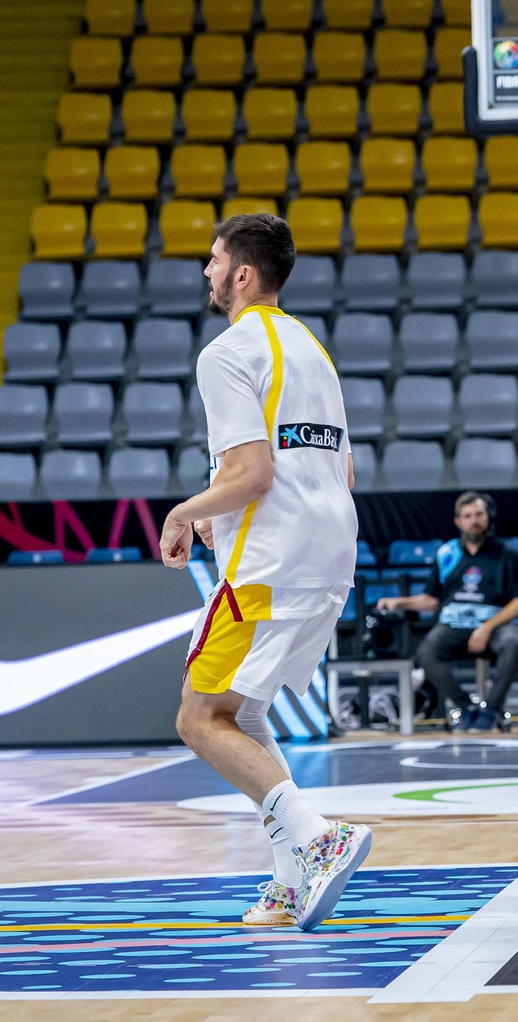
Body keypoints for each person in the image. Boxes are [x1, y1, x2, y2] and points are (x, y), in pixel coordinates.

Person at [158, 213, 370, 933]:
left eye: (214, 261)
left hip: (271, 563)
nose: (207, 272)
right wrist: (227, 503)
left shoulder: (225, 353)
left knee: (198, 716)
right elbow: (340, 463)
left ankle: (319, 837)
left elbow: (251, 473)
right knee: (244, 714)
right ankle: (287, 883)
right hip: (331, 552)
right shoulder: (312, 348)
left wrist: (186, 511)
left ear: (243, 274)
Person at [375, 491, 518, 732]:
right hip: (454, 625)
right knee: (426, 652)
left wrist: (486, 628)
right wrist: (399, 602)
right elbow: (431, 600)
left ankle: (491, 710)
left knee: (513, 642)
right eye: (468, 516)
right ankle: (466, 707)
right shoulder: (447, 554)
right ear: (458, 521)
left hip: (494, 625)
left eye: (479, 514)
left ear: (488, 517)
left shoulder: (508, 555)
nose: (474, 520)